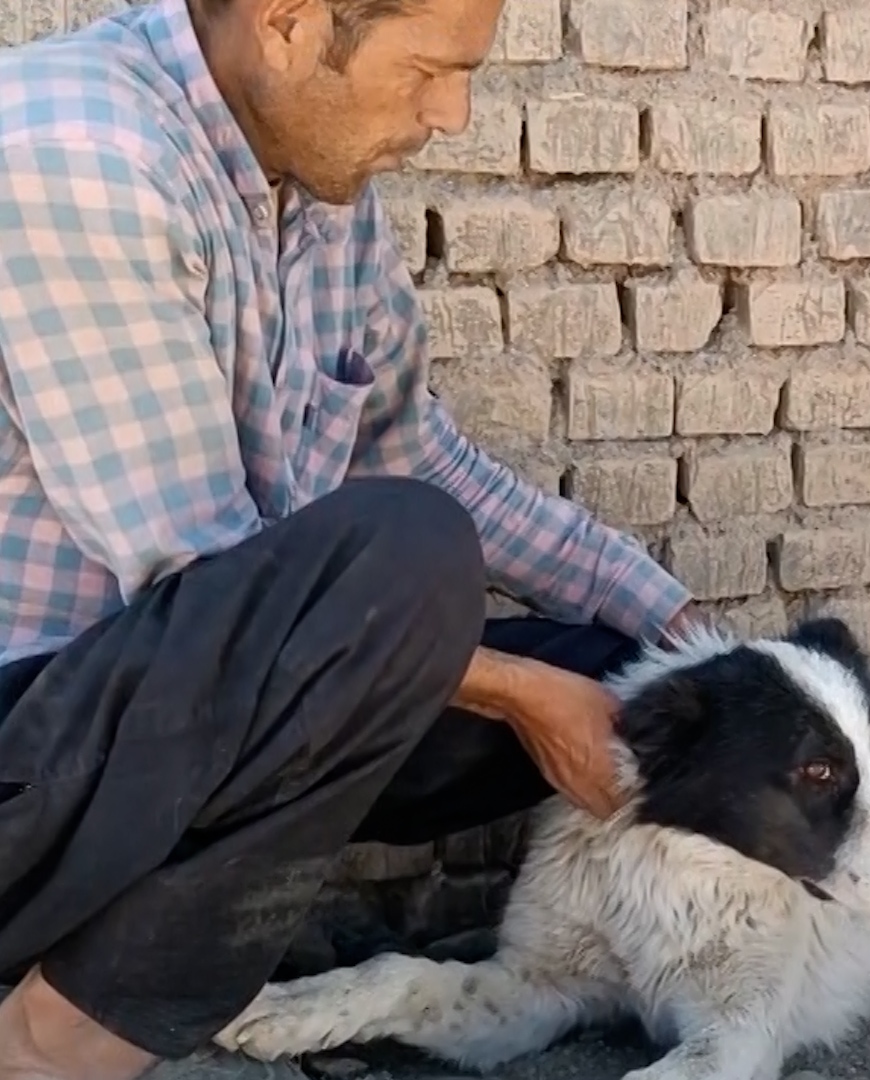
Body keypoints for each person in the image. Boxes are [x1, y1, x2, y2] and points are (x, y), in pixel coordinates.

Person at [0, 0, 708, 1077]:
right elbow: (209, 569)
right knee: (409, 564)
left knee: (632, 681)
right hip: (30, 747)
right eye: (428, 68)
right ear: (287, 22)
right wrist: (515, 690)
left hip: (190, 721)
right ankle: (49, 1043)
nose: (455, 113)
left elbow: (423, 463)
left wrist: (671, 617)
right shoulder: (82, 158)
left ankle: (179, 945)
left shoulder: (320, 195)